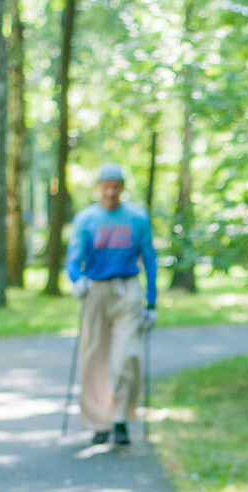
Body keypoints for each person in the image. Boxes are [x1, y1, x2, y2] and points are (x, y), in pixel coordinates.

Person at [65, 162, 158, 446]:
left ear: (122, 188)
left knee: (127, 355)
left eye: (116, 185)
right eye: (106, 185)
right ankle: (98, 422)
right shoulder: (86, 219)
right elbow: (73, 257)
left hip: (127, 289)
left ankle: (120, 418)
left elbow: (150, 259)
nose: (111, 190)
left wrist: (151, 303)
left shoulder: (137, 218)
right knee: (92, 355)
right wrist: (76, 279)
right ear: (98, 187)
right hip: (95, 289)